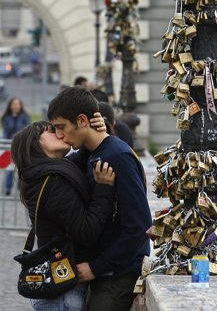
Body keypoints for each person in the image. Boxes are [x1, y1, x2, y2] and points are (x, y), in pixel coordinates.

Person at [47, 87, 152, 311]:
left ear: (82, 120)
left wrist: (96, 267)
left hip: (120, 272)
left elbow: (139, 226)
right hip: (107, 268)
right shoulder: (93, 153)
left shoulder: (117, 157)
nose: (59, 135)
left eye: (61, 127)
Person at [11, 118, 115, 311]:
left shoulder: (47, 172)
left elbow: (82, 156)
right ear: (35, 144)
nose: (59, 133)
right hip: (63, 298)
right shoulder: (52, 182)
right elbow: (86, 231)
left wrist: (98, 131)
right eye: (51, 131)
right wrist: (104, 189)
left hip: (63, 292)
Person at [1, 97, 31, 195]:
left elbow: (24, 130)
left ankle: (20, 187)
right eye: (14, 104)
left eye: (18, 104)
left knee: (21, 168)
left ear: (21, 106)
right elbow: (7, 130)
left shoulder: (25, 117)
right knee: (9, 168)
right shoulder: (6, 117)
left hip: (21, 146)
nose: (16, 106)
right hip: (9, 146)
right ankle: (8, 188)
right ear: (10, 106)